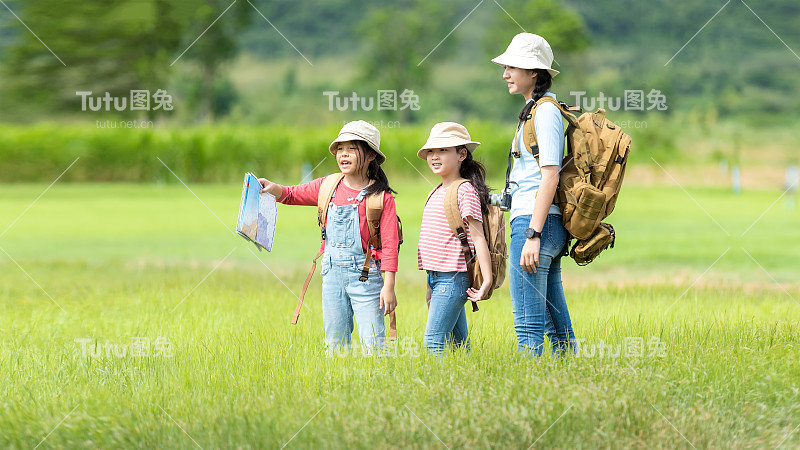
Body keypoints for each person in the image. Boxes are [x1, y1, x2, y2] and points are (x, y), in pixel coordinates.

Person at [258, 120, 398, 354]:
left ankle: (376, 386)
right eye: (340, 149)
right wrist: (273, 188)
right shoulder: (328, 186)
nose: (344, 154)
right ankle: (338, 385)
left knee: (373, 344)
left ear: (371, 155)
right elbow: (292, 194)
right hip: (331, 275)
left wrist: (389, 286)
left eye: (352, 148)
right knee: (334, 345)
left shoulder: (381, 198)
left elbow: (391, 246)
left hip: (366, 278)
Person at [491, 33, 577, 356]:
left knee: (528, 325)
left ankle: (531, 391)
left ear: (534, 73)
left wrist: (532, 233)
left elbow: (550, 175)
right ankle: (568, 382)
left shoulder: (544, 112)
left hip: (535, 223)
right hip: (535, 221)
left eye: (513, 67)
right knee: (556, 329)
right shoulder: (533, 111)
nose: (506, 74)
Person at [417, 122, 492, 355]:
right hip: (437, 277)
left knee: (433, 343)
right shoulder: (435, 191)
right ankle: (466, 382)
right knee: (459, 345)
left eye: (442, 150)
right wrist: (430, 283)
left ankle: (437, 390)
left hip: (453, 278)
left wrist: (486, 280)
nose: (434, 156)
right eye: (431, 151)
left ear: (461, 154)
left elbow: (478, 238)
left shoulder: (464, 190)